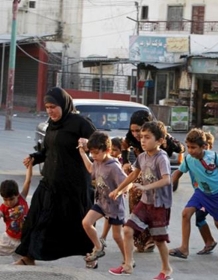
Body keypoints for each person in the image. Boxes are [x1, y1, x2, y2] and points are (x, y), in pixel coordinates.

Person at [15, 87, 96, 265]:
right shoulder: (52, 124)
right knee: (35, 217)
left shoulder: (80, 123)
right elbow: (48, 151)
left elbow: (99, 143)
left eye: (53, 106)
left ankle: (91, 255)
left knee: (78, 224)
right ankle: (29, 256)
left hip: (73, 186)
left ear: (64, 105)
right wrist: (34, 158)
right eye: (47, 107)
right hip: (50, 181)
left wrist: (88, 144)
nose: (50, 110)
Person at [108, 121, 174, 280]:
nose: (143, 141)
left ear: (159, 141)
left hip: (159, 205)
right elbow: (133, 175)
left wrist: (146, 187)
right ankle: (128, 265)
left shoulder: (161, 158)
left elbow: (166, 180)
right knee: (128, 230)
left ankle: (166, 269)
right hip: (145, 203)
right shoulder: (142, 157)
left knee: (159, 240)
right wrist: (119, 189)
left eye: (147, 137)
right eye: (142, 137)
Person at [169, 128, 218, 261]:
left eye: (194, 147)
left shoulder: (212, 156)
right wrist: (168, 184)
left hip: (216, 193)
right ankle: (184, 248)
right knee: (186, 214)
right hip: (201, 192)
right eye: (188, 147)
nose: (190, 151)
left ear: (203, 146)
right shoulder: (188, 159)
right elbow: (178, 172)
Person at [121, 110, 184, 253]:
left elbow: (181, 148)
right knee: (136, 200)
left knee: (154, 209)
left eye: (141, 132)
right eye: (134, 131)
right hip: (142, 172)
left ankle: (151, 239)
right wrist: (125, 161)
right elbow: (124, 146)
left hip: (158, 176)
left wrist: (168, 144)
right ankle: (139, 238)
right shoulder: (131, 137)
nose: (138, 135)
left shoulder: (162, 139)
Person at [78, 132, 127, 270]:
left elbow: (127, 183)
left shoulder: (114, 166)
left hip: (115, 206)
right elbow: (90, 168)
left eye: (96, 153)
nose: (93, 156)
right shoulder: (97, 162)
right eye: (91, 153)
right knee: (86, 223)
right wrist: (83, 153)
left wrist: (118, 191)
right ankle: (99, 247)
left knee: (117, 236)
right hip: (101, 202)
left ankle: (128, 260)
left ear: (107, 150)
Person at [0, 161, 32, 262]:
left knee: (25, 264)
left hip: (23, 241)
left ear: (17, 195)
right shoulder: (3, 207)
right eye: (5, 200)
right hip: (8, 239)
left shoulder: (22, 198)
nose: (8, 202)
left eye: (11, 199)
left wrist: (29, 166)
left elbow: (28, 181)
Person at [99, 137, 124, 245]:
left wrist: (119, 191)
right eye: (111, 150)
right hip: (107, 196)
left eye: (116, 150)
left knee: (116, 230)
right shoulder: (106, 162)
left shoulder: (117, 164)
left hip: (116, 198)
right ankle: (103, 237)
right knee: (108, 217)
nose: (113, 153)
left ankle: (127, 256)